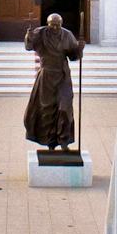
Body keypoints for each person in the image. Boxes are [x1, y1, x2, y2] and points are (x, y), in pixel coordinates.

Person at [22, 12, 83, 150]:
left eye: (58, 25)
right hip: (46, 78)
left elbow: (73, 56)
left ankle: (64, 141)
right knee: (47, 110)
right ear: (48, 24)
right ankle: (50, 143)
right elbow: (29, 46)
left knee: (65, 109)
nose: (55, 28)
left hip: (62, 77)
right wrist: (29, 36)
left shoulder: (67, 35)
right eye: (53, 25)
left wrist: (79, 49)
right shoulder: (41, 33)